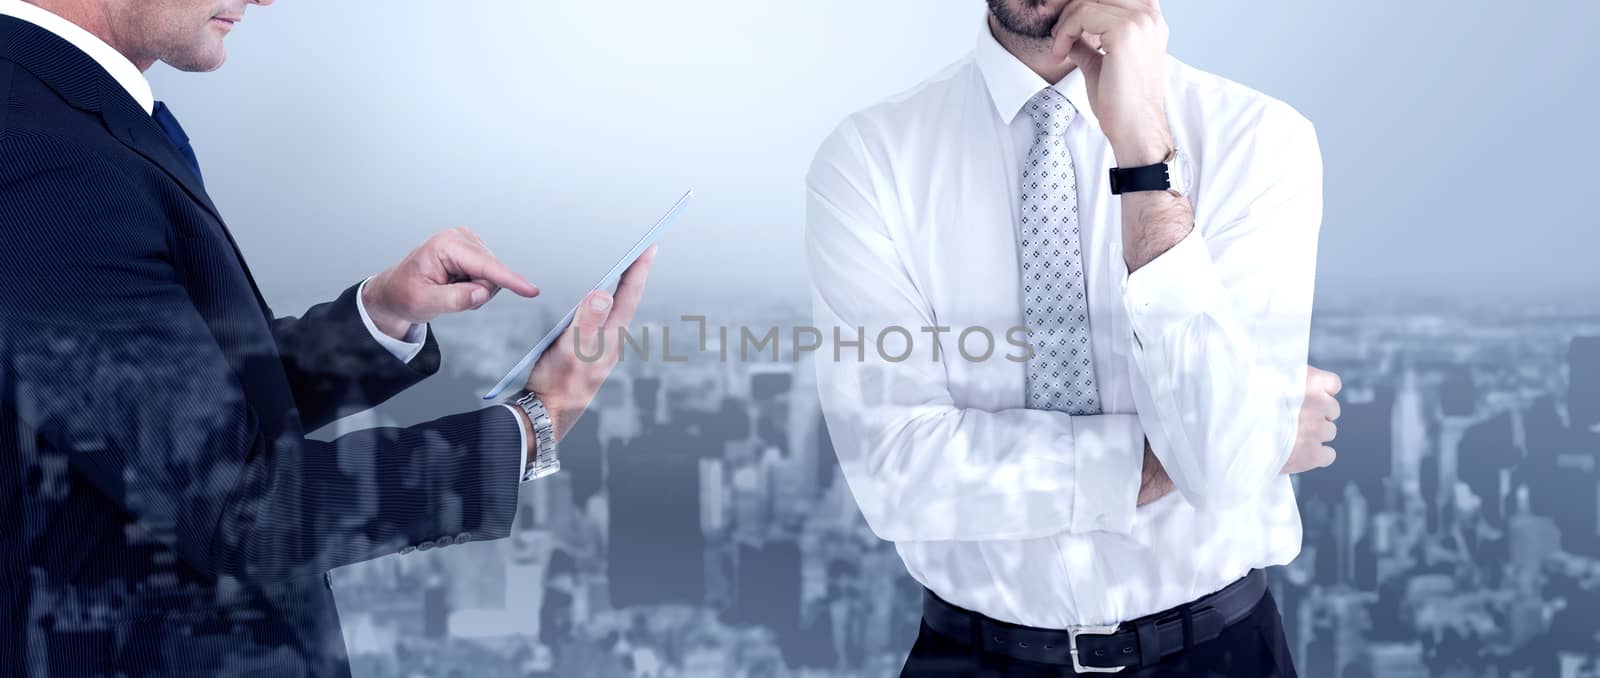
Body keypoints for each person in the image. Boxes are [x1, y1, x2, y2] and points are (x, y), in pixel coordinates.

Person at [0, 0, 653, 675]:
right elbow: (236, 508)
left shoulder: (64, 112)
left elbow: (172, 409)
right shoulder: (41, 147)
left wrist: (377, 317)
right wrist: (531, 424)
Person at [805, 0, 1341, 674]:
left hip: (1218, 652)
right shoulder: (869, 159)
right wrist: (1181, 454)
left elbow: (1224, 467)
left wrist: (1146, 158)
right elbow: (900, 474)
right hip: (973, 656)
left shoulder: (1257, 139)